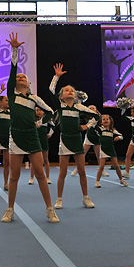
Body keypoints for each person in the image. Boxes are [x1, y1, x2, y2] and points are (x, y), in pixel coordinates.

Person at [1, 33, 58, 223]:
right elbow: (12, 70)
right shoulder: (12, 94)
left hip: (32, 137)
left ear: (28, 83)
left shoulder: (34, 99)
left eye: (23, 76)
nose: (19, 77)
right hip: (16, 137)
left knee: (40, 174)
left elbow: (50, 112)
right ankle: (10, 209)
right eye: (18, 77)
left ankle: (49, 209)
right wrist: (15, 49)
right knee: (14, 176)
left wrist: (39, 123)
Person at [49, 63, 99, 209]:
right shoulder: (60, 106)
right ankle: (59, 199)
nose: (70, 91)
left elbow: (96, 116)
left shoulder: (79, 107)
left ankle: (86, 197)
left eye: (72, 90)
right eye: (66, 90)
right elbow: (51, 90)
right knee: (63, 172)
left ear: (76, 95)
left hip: (77, 140)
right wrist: (56, 77)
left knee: (82, 171)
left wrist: (87, 126)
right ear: (61, 96)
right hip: (65, 140)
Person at [94, 115, 128, 188]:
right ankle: (97, 181)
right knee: (101, 166)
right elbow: (94, 125)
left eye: (107, 119)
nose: (105, 120)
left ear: (110, 121)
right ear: (101, 122)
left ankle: (121, 180)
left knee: (116, 166)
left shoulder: (113, 130)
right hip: (103, 149)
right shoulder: (100, 129)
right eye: (103, 119)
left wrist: (118, 137)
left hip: (111, 150)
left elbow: (121, 136)